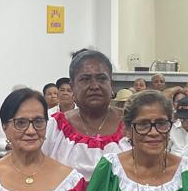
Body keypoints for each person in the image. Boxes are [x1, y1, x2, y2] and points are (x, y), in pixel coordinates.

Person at [41, 49, 130, 178]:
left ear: (111, 84)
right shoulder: (54, 128)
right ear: (72, 87)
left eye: (102, 78)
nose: (94, 86)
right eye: (85, 79)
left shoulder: (133, 124)